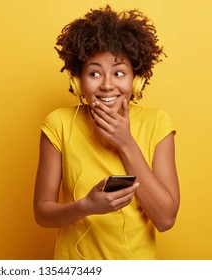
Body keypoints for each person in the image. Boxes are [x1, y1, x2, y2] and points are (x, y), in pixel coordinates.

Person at [33, 5, 180, 260]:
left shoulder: (157, 123)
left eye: (119, 72)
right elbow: (42, 213)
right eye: (94, 73)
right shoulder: (58, 124)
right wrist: (86, 207)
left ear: (136, 80)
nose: (107, 84)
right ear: (78, 81)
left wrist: (126, 143)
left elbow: (166, 219)